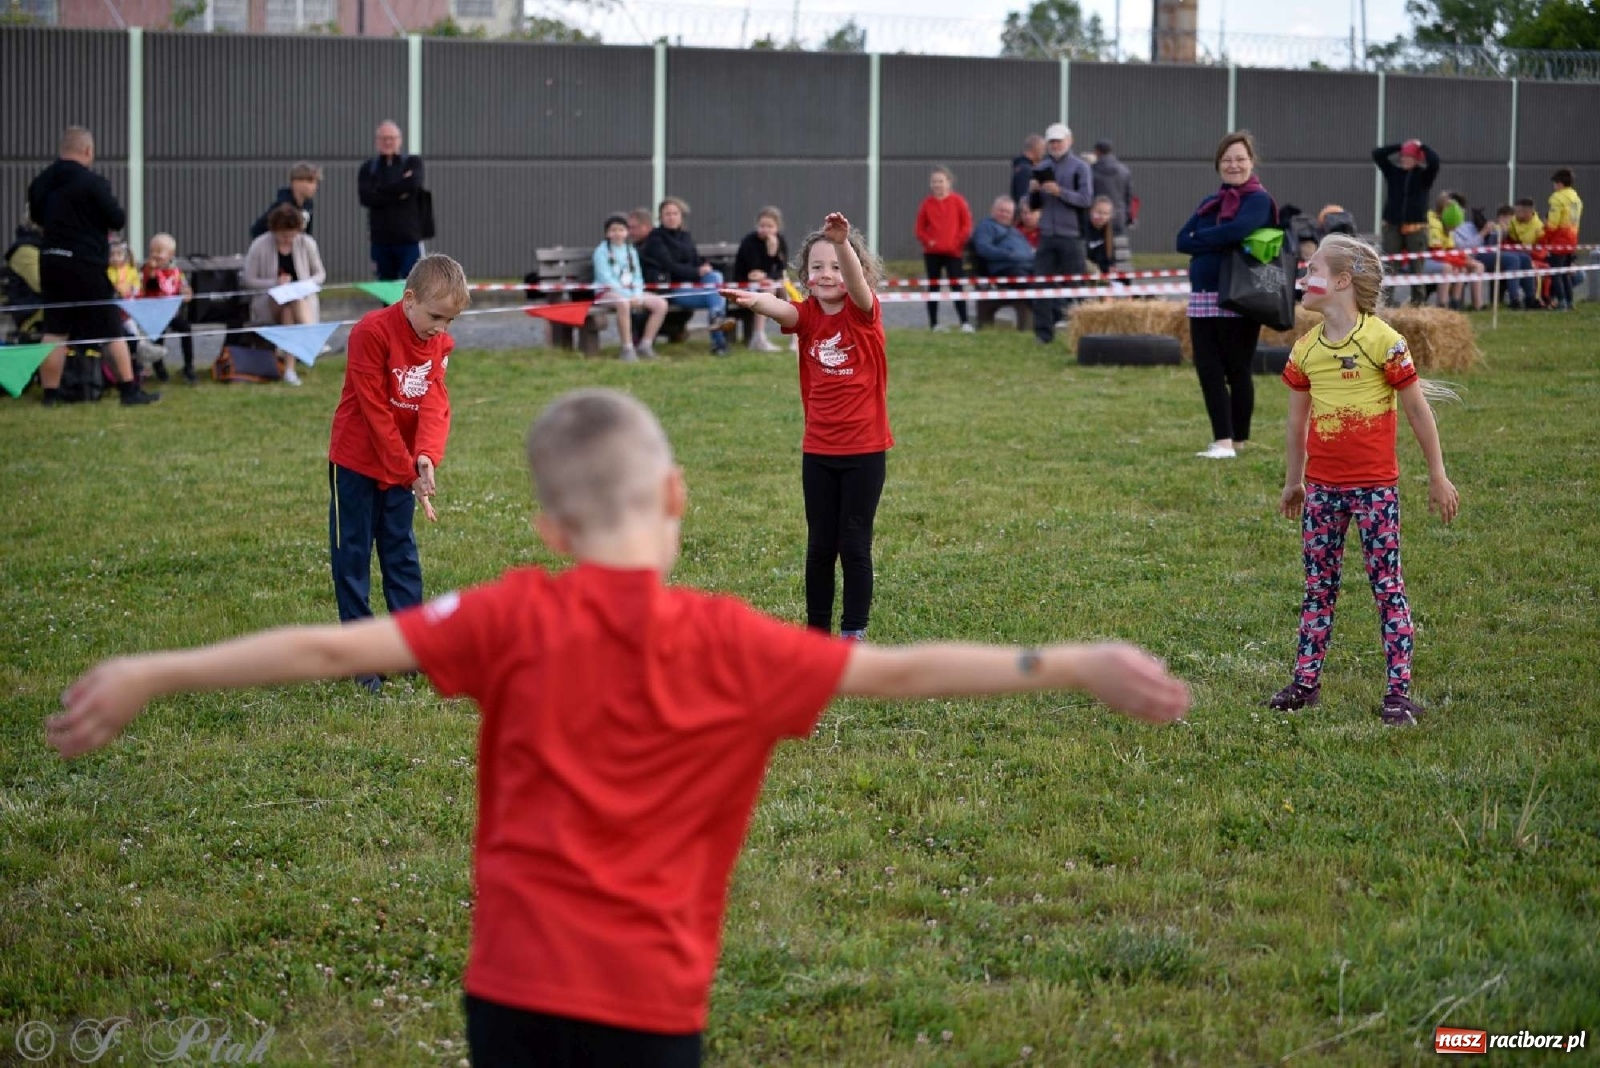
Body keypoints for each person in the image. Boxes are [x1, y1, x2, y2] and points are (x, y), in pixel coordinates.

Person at [47, 385, 1191, 1068]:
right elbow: (892, 672)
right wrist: (1067, 662)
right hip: (648, 1005)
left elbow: (334, 647)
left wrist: (158, 669)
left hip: (508, 997)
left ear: (549, 524)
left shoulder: (506, 614)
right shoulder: (734, 643)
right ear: (678, 496)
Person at [1268, 234, 1459, 726]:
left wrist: (1437, 475)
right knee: (1318, 587)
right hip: (1323, 491)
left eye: (1310, 270)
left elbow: (1417, 409)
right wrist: (1295, 482)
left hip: (1376, 490)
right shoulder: (1305, 349)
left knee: (1386, 587)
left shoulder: (1384, 341)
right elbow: (1295, 423)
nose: (1301, 279)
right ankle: (1305, 683)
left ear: (1340, 282)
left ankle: (1398, 694)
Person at [720, 213, 889, 641]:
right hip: (818, 453)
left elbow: (857, 287)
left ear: (856, 271)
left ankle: (853, 633)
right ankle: (815, 636)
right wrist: (755, 300)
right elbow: (783, 310)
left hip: (864, 453)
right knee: (819, 549)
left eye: (835, 266)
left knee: (854, 545)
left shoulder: (863, 314)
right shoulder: (809, 317)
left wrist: (842, 244)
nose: (826, 274)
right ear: (805, 277)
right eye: (817, 267)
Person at [327, 254, 469, 694]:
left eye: (449, 321)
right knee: (353, 555)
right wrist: (405, 470)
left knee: (400, 552)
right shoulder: (369, 332)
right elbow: (374, 412)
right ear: (409, 300)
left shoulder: (439, 343)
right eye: (435, 317)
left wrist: (425, 456)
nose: (441, 329)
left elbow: (433, 402)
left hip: (401, 464)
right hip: (356, 461)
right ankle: (361, 657)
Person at [27, 126, 160, 407]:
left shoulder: (40, 182)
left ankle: (50, 396)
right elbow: (117, 218)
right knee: (110, 327)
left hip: (51, 260)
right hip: (85, 262)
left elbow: (37, 218)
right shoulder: (93, 183)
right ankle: (128, 390)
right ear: (88, 150)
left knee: (54, 330)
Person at [1176, 130, 1276, 460]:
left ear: (1251, 162)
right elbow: (1181, 240)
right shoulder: (1210, 202)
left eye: (1240, 159)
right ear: (1218, 164)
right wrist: (1219, 239)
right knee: (1208, 368)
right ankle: (1224, 438)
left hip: (1239, 297)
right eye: (1227, 160)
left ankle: (1234, 439)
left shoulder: (1258, 200)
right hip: (1203, 296)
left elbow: (1237, 231)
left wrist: (1205, 237)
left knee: (1237, 369)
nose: (1233, 165)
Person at [637, 197, 736, 356]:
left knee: (715, 277)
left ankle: (718, 336)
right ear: (661, 217)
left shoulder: (685, 236)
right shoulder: (656, 238)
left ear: (681, 216)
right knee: (716, 296)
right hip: (673, 288)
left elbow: (695, 261)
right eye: (667, 214)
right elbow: (670, 267)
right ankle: (719, 341)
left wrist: (705, 267)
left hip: (694, 286)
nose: (671, 217)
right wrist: (696, 272)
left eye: (675, 213)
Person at [243, 203, 326, 387]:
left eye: (292, 234)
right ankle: (312, 335)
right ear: (274, 230)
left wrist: (304, 284)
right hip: (269, 302)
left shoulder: (307, 243)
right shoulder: (259, 244)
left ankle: (289, 370)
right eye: (283, 235)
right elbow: (249, 279)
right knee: (289, 301)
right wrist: (274, 282)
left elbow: (320, 275)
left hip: (299, 303)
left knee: (290, 308)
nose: (288, 239)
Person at [1029, 123, 1093, 345]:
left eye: (1059, 141)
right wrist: (1034, 192)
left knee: (1076, 285)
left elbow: (1086, 199)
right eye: (1052, 141)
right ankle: (1043, 334)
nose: (1055, 145)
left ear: (1070, 141)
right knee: (1041, 285)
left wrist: (1061, 192)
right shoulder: (1041, 167)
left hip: (1072, 235)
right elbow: (1035, 205)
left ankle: (1083, 332)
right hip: (1047, 234)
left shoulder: (1080, 167)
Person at [592, 213, 667, 362]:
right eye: (613, 230)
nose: (617, 233)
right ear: (607, 233)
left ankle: (646, 344)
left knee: (660, 304)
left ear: (626, 232)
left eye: (621, 230)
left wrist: (637, 294)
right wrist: (627, 295)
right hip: (607, 292)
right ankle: (627, 348)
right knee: (623, 304)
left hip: (631, 292)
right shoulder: (601, 252)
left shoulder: (631, 251)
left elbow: (637, 276)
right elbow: (606, 278)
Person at [359, 121, 426, 282]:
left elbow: (413, 184)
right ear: (377, 141)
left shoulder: (412, 162)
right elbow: (366, 197)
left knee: (413, 285)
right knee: (385, 285)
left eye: (391, 138)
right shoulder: (368, 168)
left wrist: (380, 189)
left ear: (400, 140)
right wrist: (399, 191)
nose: (388, 142)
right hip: (380, 240)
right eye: (383, 138)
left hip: (408, 238)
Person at [1372, 139, 1440, 289]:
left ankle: (1417, 303)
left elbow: (1434, 162)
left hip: (1416, 228)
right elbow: (1377, 154)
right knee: (1390, 265)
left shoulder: (1424, 176)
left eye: (1409, 157)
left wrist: (1422, 146)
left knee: (1416, 268)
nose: (1404, 160)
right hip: (1392, 226)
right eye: (1403, 156)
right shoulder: (1393, 173)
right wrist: (1399, 146)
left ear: (1417, 159)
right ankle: (1387, 302)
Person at [914, 166, 973, 332]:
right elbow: (919, 229)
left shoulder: (958, 201)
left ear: (949, 182)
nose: (937, 185)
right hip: (932, 253)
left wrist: (956, 242)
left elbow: (966, 225)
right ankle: (934, 323)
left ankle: (965, 322)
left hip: (954, 252)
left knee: (957, 286)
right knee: (933, 287)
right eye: (934, 181)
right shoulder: (926, 204)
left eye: (940, 181)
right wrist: (929, 242)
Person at [140, 232, 199, 385]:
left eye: (160, 251)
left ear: (171, 254)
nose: (156, 255)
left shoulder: (176, 271)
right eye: (153, 251)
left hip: (172, 313)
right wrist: (152, 272)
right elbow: (149, 286)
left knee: (186, 328)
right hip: (155, 314)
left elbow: (184, 287)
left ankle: (188, 366)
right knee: (159, 337)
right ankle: (159, 366)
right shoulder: (147, 270)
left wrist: (187, 293)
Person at [732, 206, 790, 352]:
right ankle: (758, 337)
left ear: (777, 227)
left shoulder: (779, 241)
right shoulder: (749, 242)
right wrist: (771, 255)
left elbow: (781, 269)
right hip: (744, 284)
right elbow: (754, 271)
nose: (765, 229)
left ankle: (795, 337)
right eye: (762, 225)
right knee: (769, 287)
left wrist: (773, 257)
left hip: (768, 282)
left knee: (786, 288)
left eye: (770, 226)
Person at [1090, 139, 1135, 272]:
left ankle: (1100, 282)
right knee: (1121, 258)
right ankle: (1124, 285)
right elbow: (1129, 196)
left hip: (1098, 220)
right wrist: (1126, 216)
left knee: (1098, 255)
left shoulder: (1091, 170)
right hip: (1118, 219)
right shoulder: (1124, 170)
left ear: (1097, 152)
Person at [1481, 204, 1537, 309]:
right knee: (1513, 259)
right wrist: (1501, 232)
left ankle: (1530, 297)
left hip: (1503, 255)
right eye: (1507, 219)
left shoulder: (1512, 229)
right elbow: (1490, 245)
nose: (1509, 222)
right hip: (1487, 254)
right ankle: (1514, 299)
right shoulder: (1493, 227)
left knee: (1525, 258)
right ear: (1500, 218)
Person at [249, 161, 321, 240]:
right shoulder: (282, 206)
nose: (315, 186)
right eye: (310, 181)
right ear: (296, 182)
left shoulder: (308, 205)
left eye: (316, 182)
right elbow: (257, 230)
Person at [1545, 168, 1582, 311]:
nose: (1554, 186)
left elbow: (1553, 223)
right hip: (1572, 237)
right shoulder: (1576, 198)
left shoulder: (1557, 198)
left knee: (1556, 272)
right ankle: (1570, 301)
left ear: (1559, 183)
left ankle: (1561, 302)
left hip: (1559, 238)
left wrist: (1545, 235)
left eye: (1554, 183)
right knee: (1566, 272)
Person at [970, 195, 1035, 278]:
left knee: (1049, 281)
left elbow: (1027, 249)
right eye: (1001, 211)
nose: (1004, 214)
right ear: (993, 210)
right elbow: (983, 249)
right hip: (1006, 268)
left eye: (1008, 212)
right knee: (1035, 285)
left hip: (1027, 266)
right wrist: (1008, 254)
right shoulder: (987, 226)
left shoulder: (1014, 230)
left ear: (1012, 215)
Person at [1010, 133, 1045, 215]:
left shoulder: (1022, 167)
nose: (1044, 153)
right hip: (1027, 217)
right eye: (1043, 149)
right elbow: (1023, 198)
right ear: (1036, 149)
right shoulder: (1026, 170)